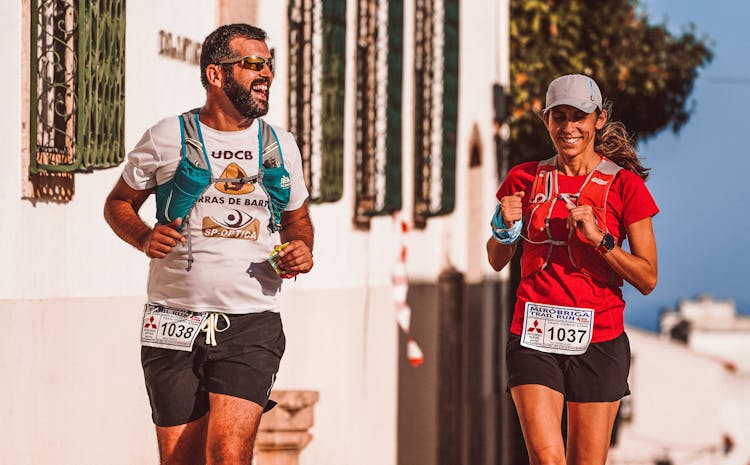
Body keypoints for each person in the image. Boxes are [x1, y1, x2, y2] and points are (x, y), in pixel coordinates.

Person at [104, 24, 314, 465]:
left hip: (251, 322)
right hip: (171, 318)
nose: (266, 75)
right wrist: (143, 236)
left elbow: (297, 221)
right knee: (180, 461)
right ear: (216, 75)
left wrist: (300, 248)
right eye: (253, 64)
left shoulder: (280, 146)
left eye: (268, 65)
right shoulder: (167, 137)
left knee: (227, 457)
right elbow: (119, 204)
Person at [486, 74, 658, 465]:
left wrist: (601, 240)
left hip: (599, 339)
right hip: (533, 334)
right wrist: (504, 229)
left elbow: (648, 278)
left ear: (598, 119)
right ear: (546, 121)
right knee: (547, 459)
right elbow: (497, 259)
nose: (568, 127)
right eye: (558, 116)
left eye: (578, 116)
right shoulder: (523, 179)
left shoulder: (625, 187)